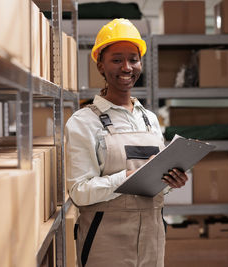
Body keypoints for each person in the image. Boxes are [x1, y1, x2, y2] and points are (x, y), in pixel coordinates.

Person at [65, 19, 188, 267]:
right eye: (117, 59)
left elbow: (156, 185)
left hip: (152, 238)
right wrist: (129, 177)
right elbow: (79, 192)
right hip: (105, 240)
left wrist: (170, 182)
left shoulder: (150, 119)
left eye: (133, 59)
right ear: (100, 65)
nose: (127, 67)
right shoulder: (83, 122)